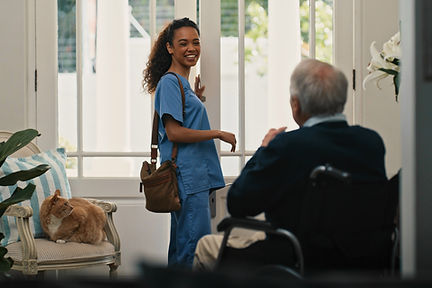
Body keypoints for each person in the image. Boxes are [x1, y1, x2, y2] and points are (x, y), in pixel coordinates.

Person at [193, 58, 387, 271]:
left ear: (296, 103)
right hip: (360, 260)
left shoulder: (287, 146)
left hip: (295, 258)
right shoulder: (371, 143)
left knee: (205, 246)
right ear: (342, 100)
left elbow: (238, 203)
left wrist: (264, 149)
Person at [142, 17, 236, 268]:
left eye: (195, 42)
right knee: (194, 250)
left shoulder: (180, 84)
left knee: (183, 246)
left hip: (193, 177)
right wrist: (217, 133)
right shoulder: (170, 82)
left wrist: (195, 97)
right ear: (170, 48)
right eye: (183, 43)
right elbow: (174, 133)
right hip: (188, 177)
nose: (191, 48)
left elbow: (185, 121)